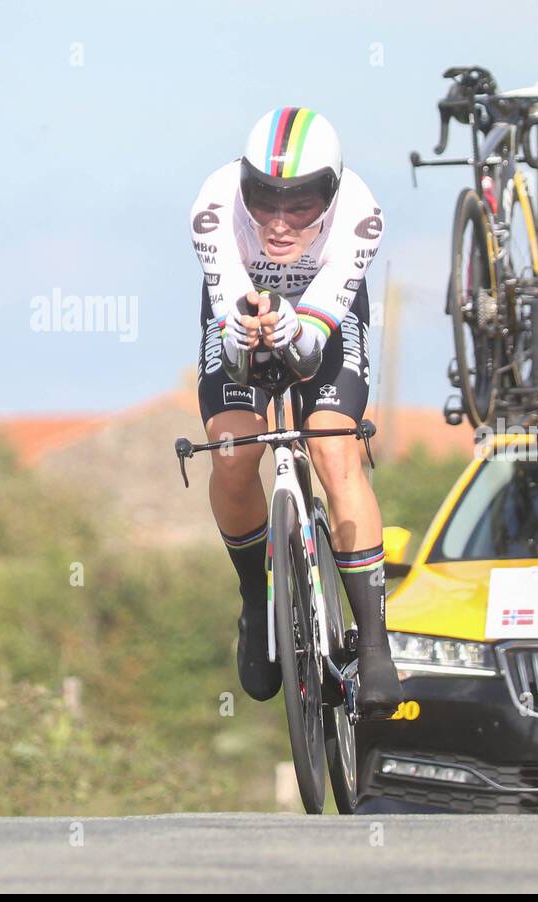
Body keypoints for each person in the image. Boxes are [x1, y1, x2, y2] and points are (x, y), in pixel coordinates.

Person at [189, 107, 402, 717]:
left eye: (301, 205)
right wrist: (251, 332)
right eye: (264, 199)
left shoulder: (362, 214)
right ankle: (256, 598)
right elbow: (232, 342)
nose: (279, 223)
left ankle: (376, 642)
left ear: (331, 194)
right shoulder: (213, 206)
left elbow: (311, 348)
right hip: (240, 308)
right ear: (243, 184)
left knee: (334, 447)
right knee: (233, 452)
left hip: (324, 315)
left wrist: (292, 330)